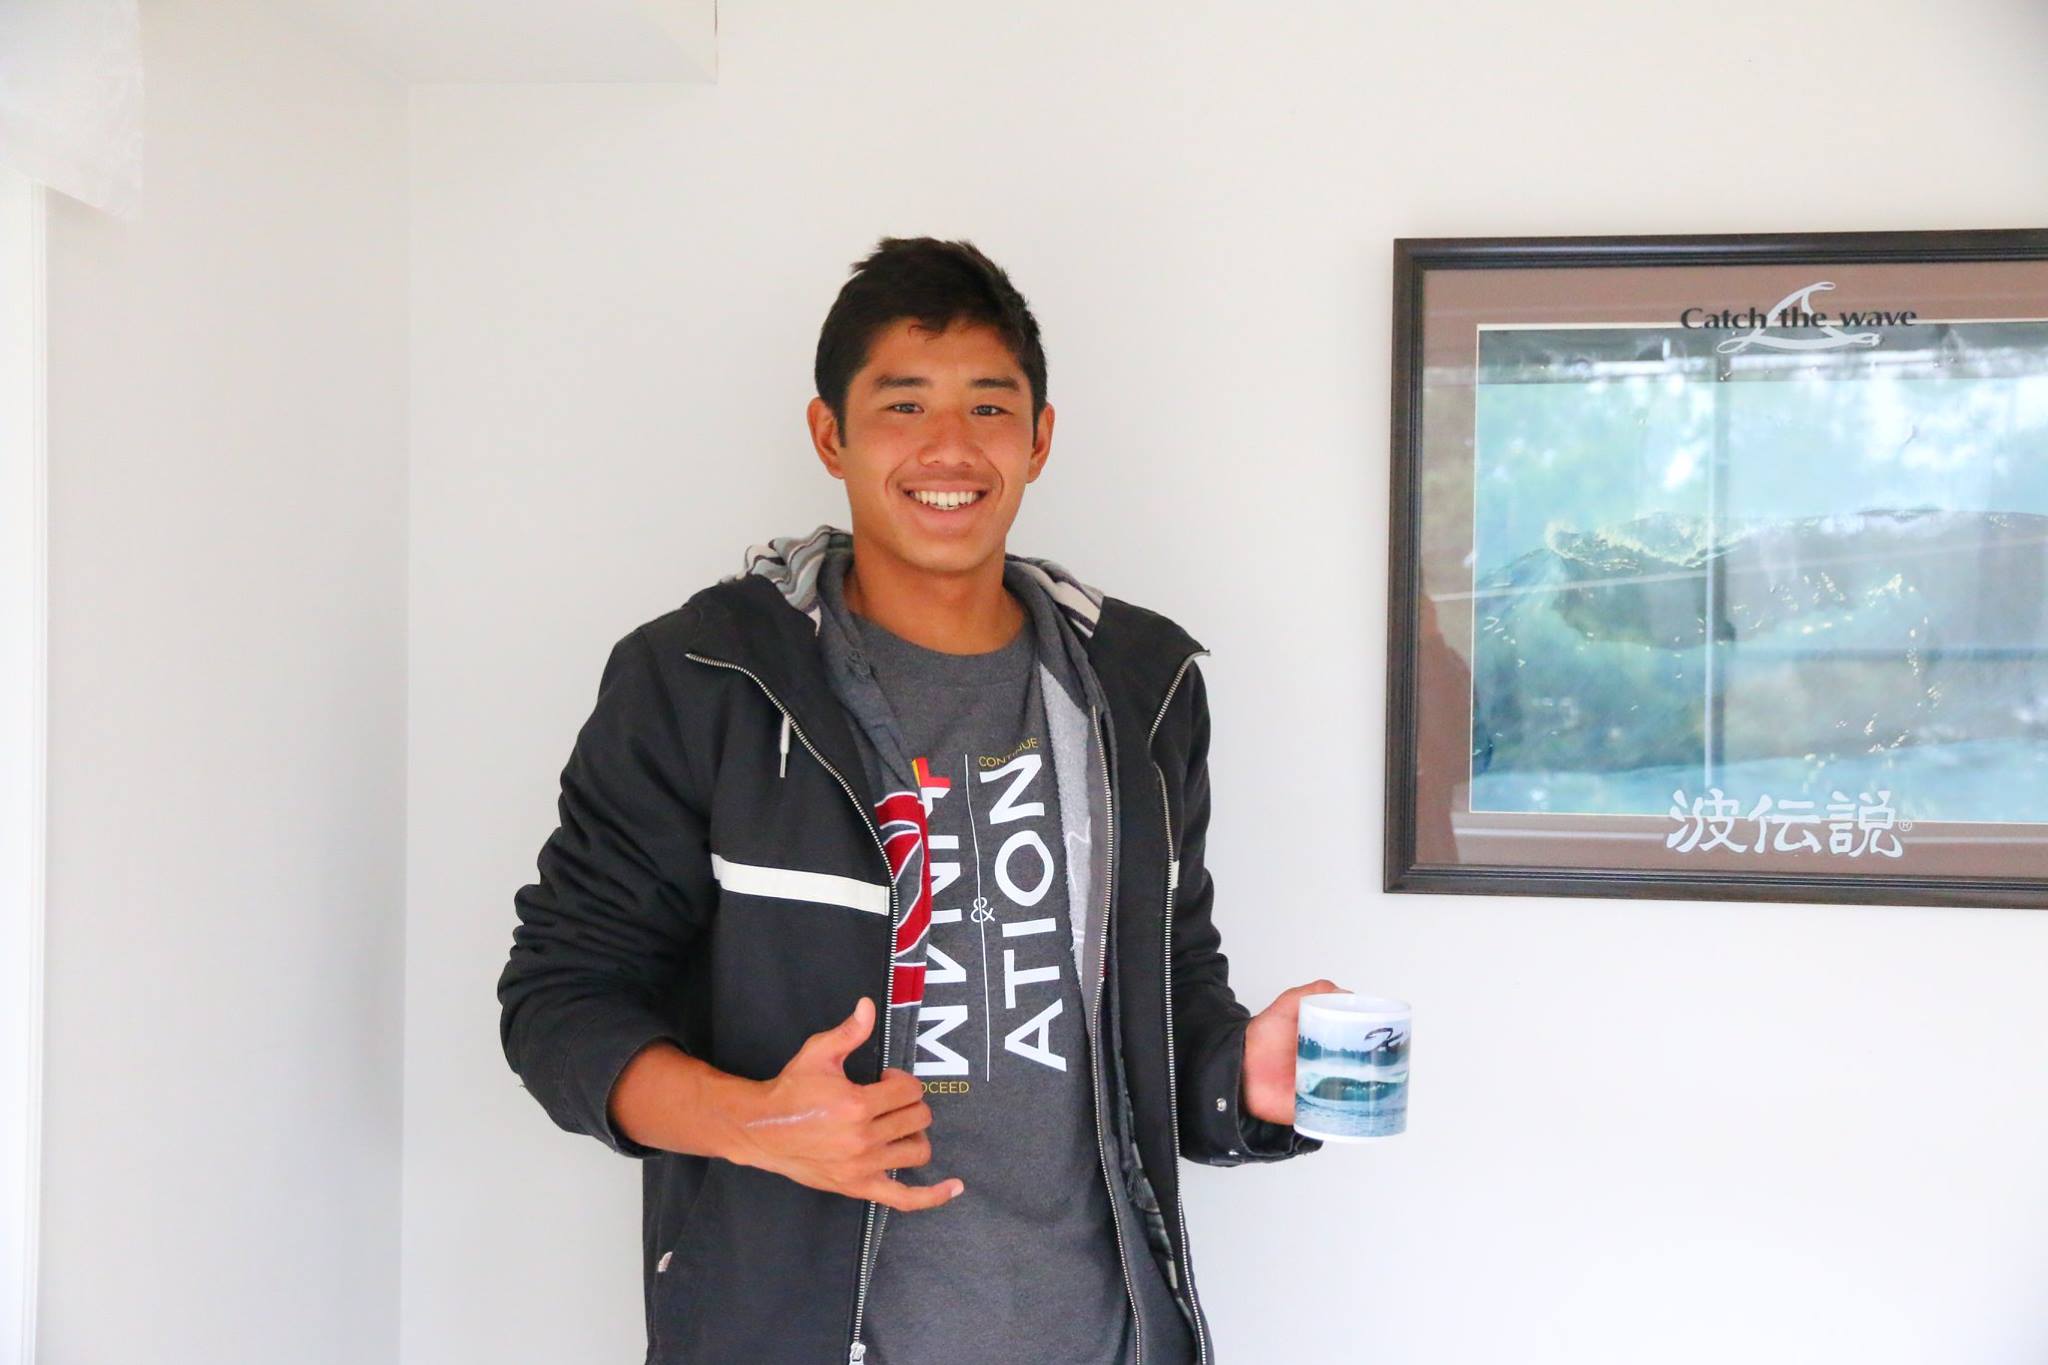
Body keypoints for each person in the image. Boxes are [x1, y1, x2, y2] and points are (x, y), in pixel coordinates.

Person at [497, 236, 1338, 1365]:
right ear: (829, 435)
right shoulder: (703, 681)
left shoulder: (1140, 689)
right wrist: (754, 1121)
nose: (950, 447)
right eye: (903, 406)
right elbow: (558, 1002)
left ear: (1039, 438)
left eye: (989, 407)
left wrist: (1244, 1077)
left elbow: (1164, 991)